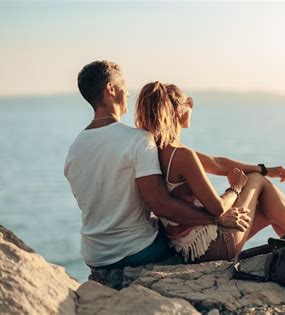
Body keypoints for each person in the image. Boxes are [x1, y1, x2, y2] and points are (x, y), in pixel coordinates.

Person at [135, 81, 285, 267]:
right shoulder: (181, 155)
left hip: (185, 246)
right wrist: (236, 187)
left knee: (271, 209)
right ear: (177, 111)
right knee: (258, 184)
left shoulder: (160, 151)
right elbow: (217, 209)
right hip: (211, 247)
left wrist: (265, 169)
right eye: (189, 103)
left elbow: (217, 164)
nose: (192, 107)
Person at [64, 61, 250, 270]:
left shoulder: (74, 149)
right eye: (123, 85)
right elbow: (161, 205)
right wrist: (216, 218)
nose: (127, 93)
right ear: (110, 89)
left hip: (94, 255)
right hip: (136, 250)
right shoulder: (138, 140)